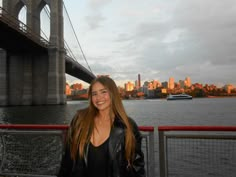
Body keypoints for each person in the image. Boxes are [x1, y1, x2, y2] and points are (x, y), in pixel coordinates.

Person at [58, 76, 146, 177]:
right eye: (94, 94)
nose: (98, 98)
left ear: (113, 94)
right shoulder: (79, 121)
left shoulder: (128, 126)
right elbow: (66, 163)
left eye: (103, 92)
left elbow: (137, 167)